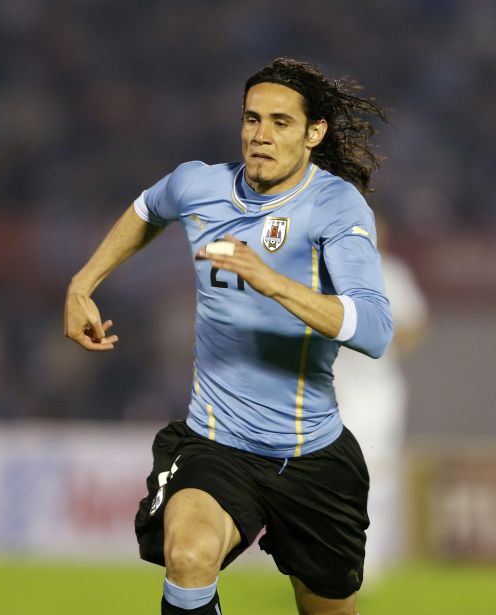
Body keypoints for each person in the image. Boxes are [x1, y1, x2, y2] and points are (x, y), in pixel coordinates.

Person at [64, 58, 393, 615]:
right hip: (218, 444)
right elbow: (148, 208)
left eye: (281, 123)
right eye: (251, 119)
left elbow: (376, 329)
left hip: (311, 454)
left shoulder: (335, 206)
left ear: (314, 133)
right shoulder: (202, 185)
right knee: (188, 557)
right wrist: (82, 283)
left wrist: (273, 282)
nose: (260, 135)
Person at [334, 214, 429, 586]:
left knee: (377, 474)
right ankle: (325, 557)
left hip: (377, 388)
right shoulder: (327, 271)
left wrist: (377, 332)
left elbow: (415, 327)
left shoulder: (392, 274)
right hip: (332, 385)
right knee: (328, 473)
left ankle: (367, 565)